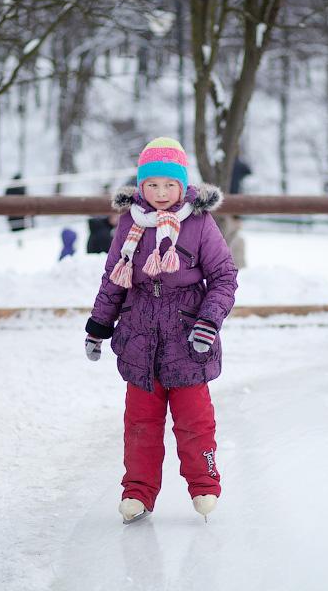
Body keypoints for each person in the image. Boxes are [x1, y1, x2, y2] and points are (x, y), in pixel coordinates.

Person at [84, 137, 238, 524]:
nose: (161, 193)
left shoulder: (200, 223)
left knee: (194, 422)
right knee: (139, 426)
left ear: (182, 185)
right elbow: (113, 279)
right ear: (141, 186)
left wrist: (208, 322)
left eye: (169, 185)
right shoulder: (129, 223)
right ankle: (137, 493)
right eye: (152, 185)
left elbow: (223, 276)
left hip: (188, 341)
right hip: (139, 340)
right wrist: (99, 327)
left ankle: (204, 485)